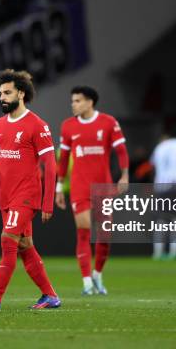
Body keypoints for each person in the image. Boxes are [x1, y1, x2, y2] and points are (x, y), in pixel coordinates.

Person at [0, 69, 60, 310]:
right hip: (6, 197)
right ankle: (50, 295)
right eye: (0, 93)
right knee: (26, 247)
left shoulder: (37, 126)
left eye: (7, 93)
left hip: (27, 196)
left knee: (8, 240)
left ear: (21, 93)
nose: (2, 97)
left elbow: (50, 164)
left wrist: (47, 203)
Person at [56, 86, 129, 295]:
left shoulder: (108, 122)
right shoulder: (68, 126)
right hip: (79, 187)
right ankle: (87, 282)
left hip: (103, 187)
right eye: (73, 100)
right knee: (84, 231)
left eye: (77, 100)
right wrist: (59, 187)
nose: (73, 104)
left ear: (90, 102)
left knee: (105, 235)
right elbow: (63, 161)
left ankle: (97, 274)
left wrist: (124, 176)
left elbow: (121, 151)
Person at [150, 126, 176, 260]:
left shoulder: (160, 146)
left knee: (161, 219)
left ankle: (157, 252)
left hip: (161, 185)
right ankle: (174, 251)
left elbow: (153, 165)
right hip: (175, 184)